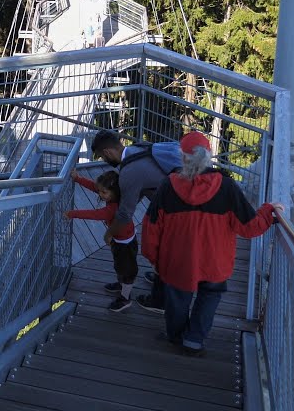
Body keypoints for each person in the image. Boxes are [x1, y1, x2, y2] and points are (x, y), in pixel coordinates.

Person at [142, 131, 281, 357]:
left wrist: (154, 258)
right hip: (215, 262)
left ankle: (176, 336)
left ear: (183, 157)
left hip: (177, 261)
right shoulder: (226, 187)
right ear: (208, 156)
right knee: (209, 296)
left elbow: (151, 226)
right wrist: (268, 211)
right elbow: (250, 227)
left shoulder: (168, 186)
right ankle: (194, 341)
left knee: (177, 298)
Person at [90, 130, 183, 313]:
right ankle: (159, 278)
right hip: (176, 205)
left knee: (165, 251)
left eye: (102, 157)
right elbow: (139, 191)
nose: (103, 160)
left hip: (178, 212)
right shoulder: (137, 149)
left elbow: (125, 215)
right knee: (163, 249)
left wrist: (109, 233)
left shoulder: (129, 173)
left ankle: (160, 301)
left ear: (108, 152)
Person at [64, 168, 137, 312]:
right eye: (101, 191)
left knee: (126, 271)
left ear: (114, 192)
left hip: (125, 245)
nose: (101, 194)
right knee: (120, 267)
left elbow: (95, 214)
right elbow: (95, 187)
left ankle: (125, 298)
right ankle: (121, 284)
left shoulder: (113, 208)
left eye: (104, 192)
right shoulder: (116, 197)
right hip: (121, 240)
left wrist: (72, 213)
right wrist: (78, 178)